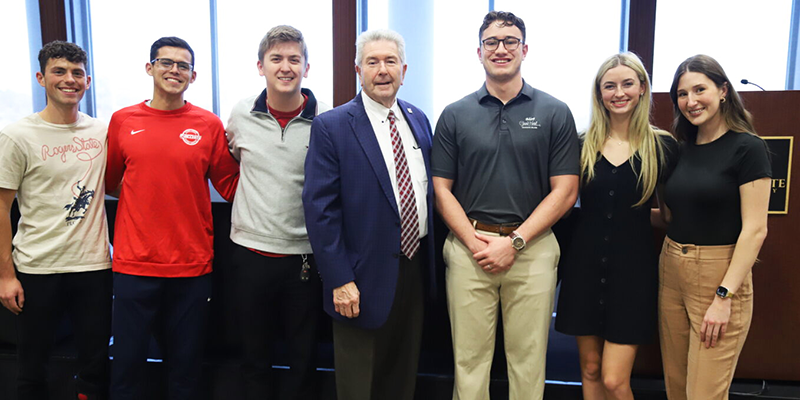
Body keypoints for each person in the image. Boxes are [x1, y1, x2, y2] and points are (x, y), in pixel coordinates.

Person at [431, 11, 580, 400]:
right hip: (469, 250)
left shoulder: (554, 111)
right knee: (468, 361)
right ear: (478, 52)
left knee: (528, 362)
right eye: (492, 42)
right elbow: (441, 190)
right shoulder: (455, 114)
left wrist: (513, 243)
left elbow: (565, 190)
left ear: (525, 49)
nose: (501, 49)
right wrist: (476, 242)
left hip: (532, 250)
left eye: (510, 41)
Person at [302, 29, 435, 400]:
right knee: (360, 385)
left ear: (404, 70)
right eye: (372, 62)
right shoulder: (333, 125)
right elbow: (319, 209)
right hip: (358, 278)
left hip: (413, 270)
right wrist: (339, 279)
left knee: (402, 377)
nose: (382, 70)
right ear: (358, 69)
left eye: (390, 61)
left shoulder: (418, 119)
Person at [106, 36, 239, 400]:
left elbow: (231, 185)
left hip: (192, 265)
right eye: (166, 63)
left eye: (182, 66)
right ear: (149, 68)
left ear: (192, 76)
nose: (174, 71)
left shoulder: (208, 124)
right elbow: (111, 181)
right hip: (134, 264)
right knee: (127, 365)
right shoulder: (122, 121)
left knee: (186, 367)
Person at [554, 53, 677, 400]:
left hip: (633, 275)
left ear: (642, 89)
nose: (618, 92)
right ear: (599, 93)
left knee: (613, 380)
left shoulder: (662, 146)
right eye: (610, 85)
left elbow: (667, 216)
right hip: (584, 270)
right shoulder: (580, 145)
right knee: (590, 371)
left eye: (627, 84)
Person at [0, 41, 112, 400]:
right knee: (32, 366)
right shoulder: (17, 136)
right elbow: (2, 208)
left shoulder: (103, 132)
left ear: (88, 80)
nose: (69, 79)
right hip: (36, 267)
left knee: (95, 365)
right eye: (59, 71)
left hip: (94, 266)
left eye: (77, 73)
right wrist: (5, 275)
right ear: (41, 77)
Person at [226, 25, 330, 399]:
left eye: (293, 59)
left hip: (304, 256)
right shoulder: (241, 114)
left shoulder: (327, 121)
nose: (285, 67)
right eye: (276, 59)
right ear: (261, 67)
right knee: (254, 356)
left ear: (306, 67)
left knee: (304, 358)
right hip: (250, 254)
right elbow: (230, 164)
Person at [659, 54, 770, 400]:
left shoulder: (748, 148)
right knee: (676, 389)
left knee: (703, 394)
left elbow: (755, 230)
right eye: (682, 94)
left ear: (723, 90)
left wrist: (724, 297)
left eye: (699, 89)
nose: (690, 102)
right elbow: (672, 216)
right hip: (671, 268)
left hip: (719, 277)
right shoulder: (681, 149)